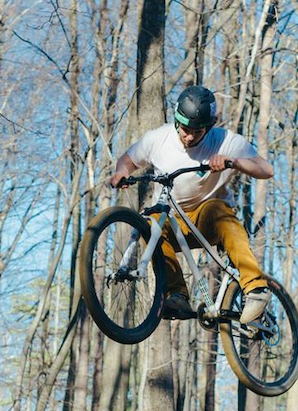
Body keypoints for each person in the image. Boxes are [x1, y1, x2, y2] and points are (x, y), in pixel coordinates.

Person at [110, 85, 274, 322]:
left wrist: (233, 162)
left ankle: (256, 289)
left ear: (208, 127)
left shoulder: (224, 141)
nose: (189, 136)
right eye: (185, 129)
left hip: (208, 220)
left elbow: (266, 170)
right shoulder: (158, 139)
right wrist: (121, 173)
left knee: (217, 208)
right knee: (152, 223)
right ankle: (176, 295)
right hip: (174, 221)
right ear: (176, 120)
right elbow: (127, 160)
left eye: (197, 132)